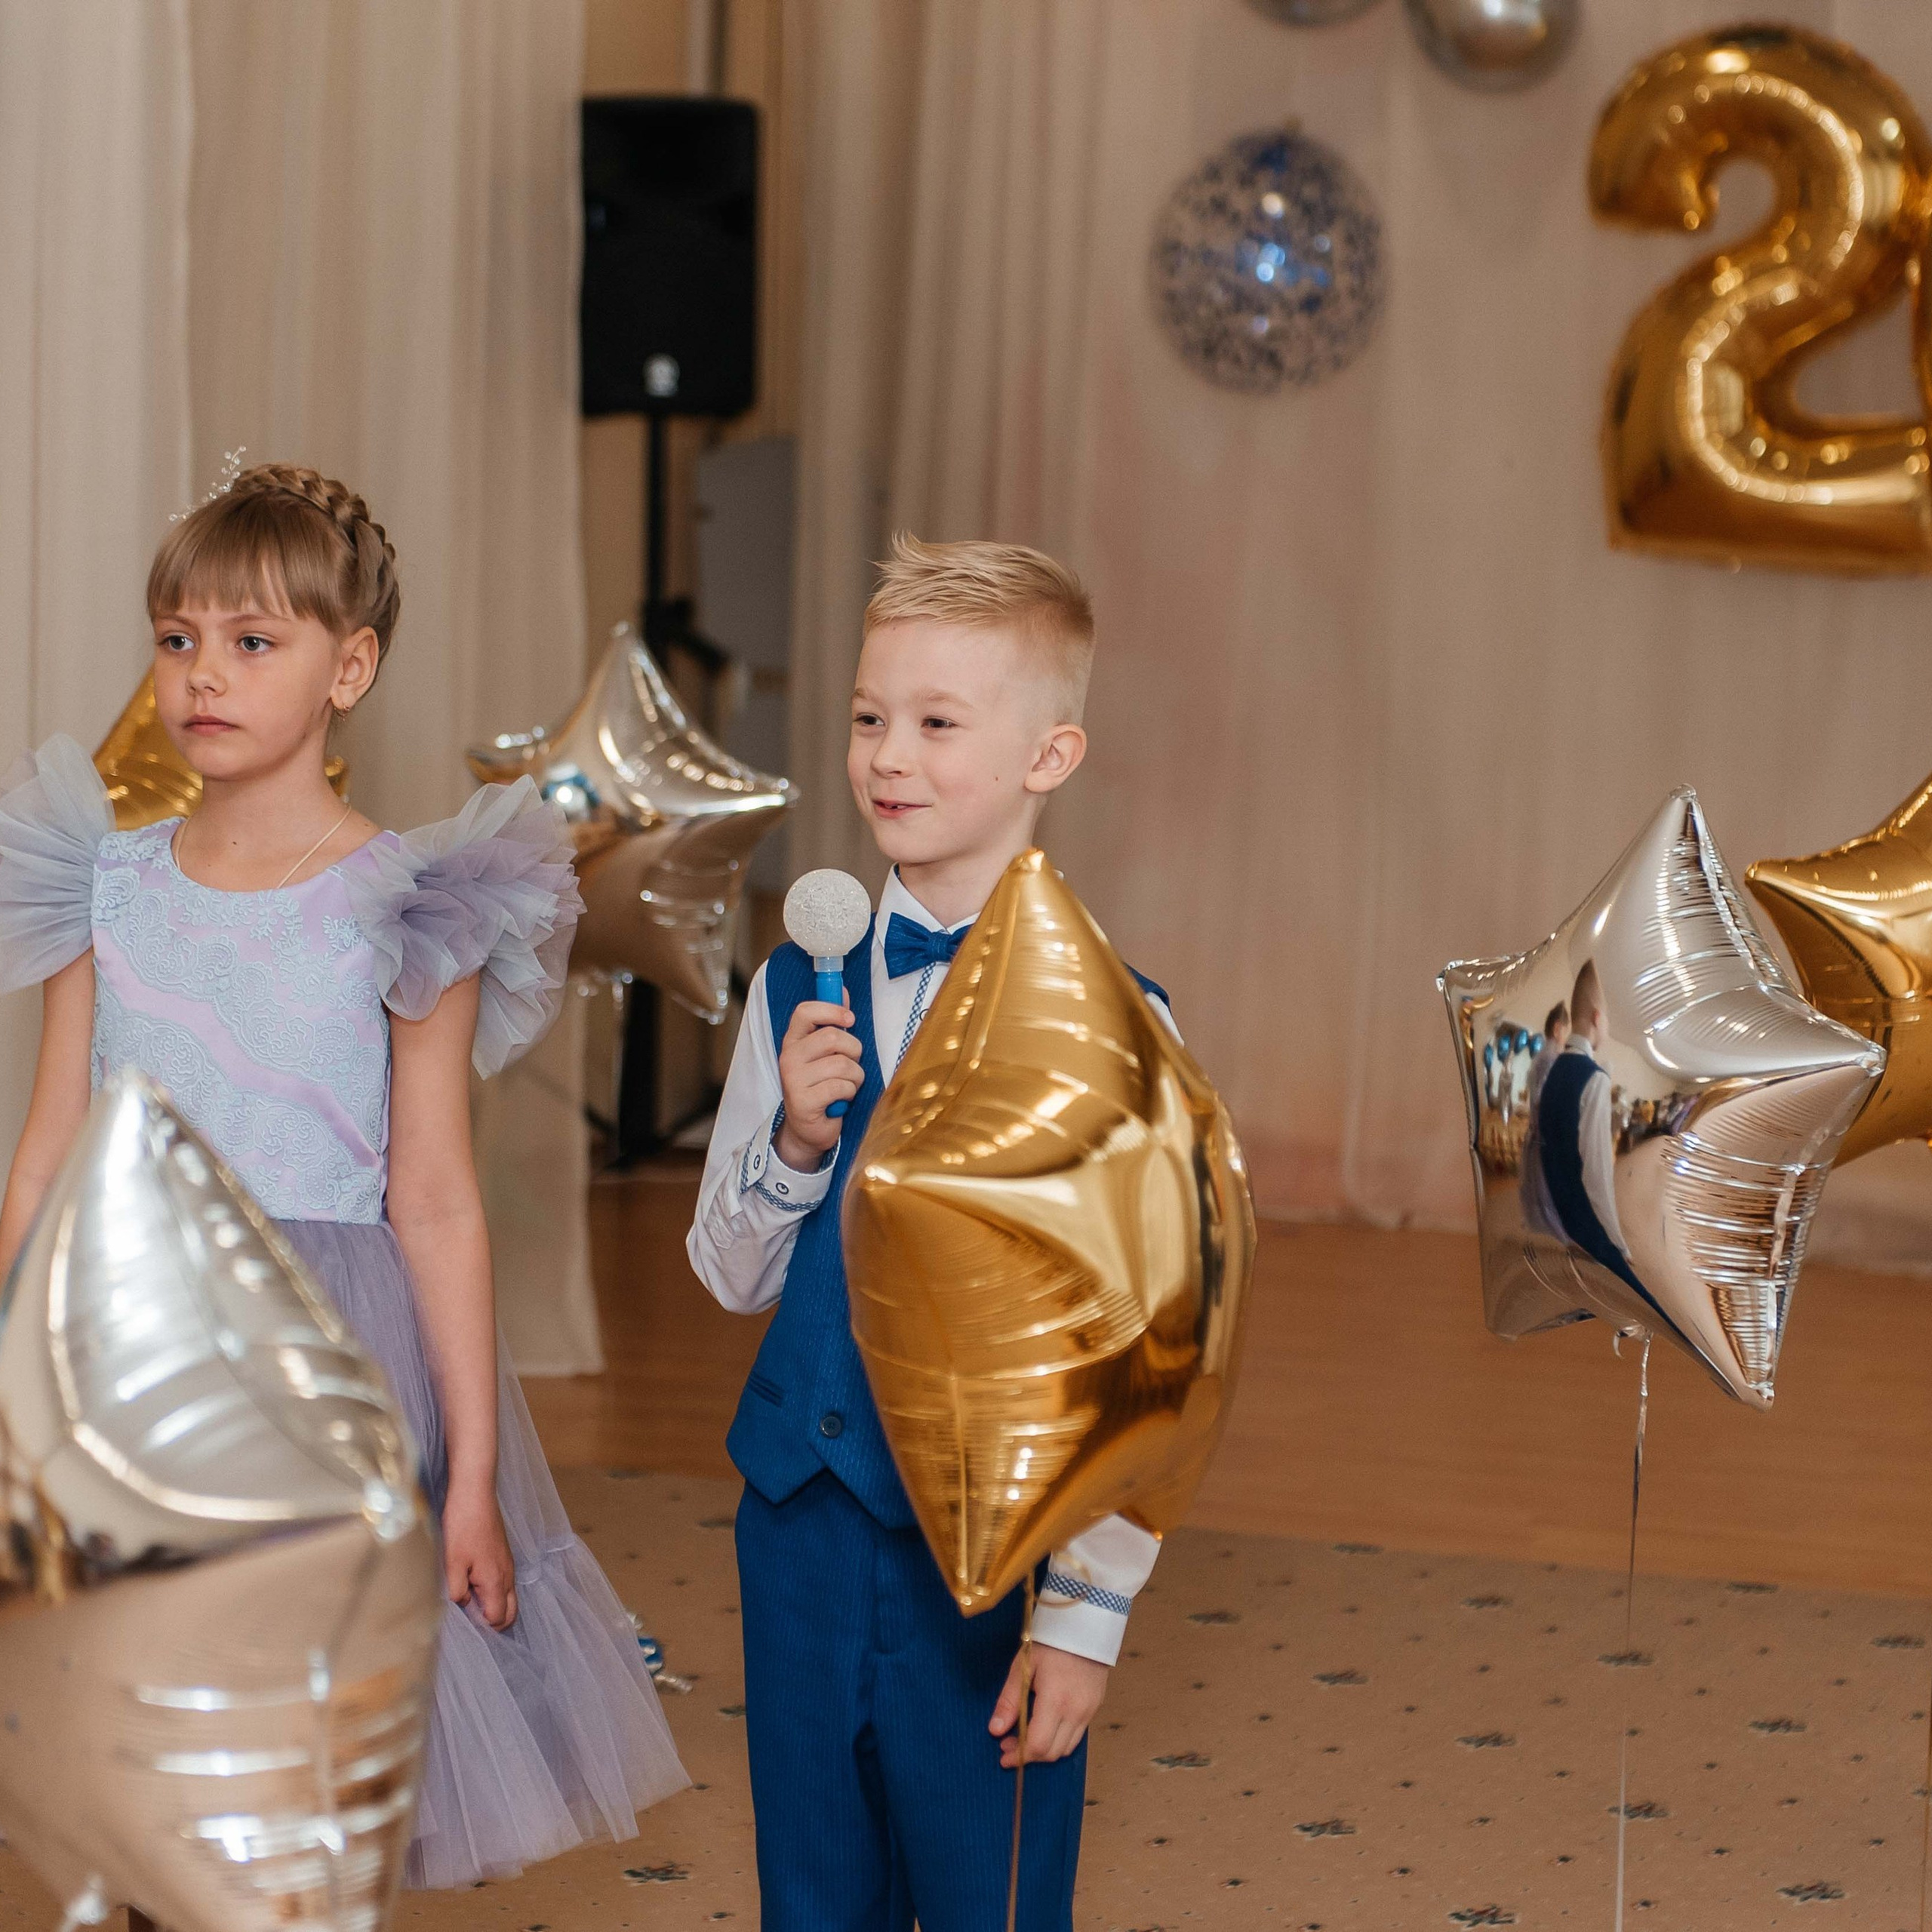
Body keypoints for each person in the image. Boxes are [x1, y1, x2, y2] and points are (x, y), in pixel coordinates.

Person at [0, 464, 687, 1906]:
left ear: (349, 669)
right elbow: (50, 1144)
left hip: (327, 1376)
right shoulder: (101, 887)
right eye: (179, 639)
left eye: (255, 643)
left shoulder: (405, 900)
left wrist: (475, 1487)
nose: (205, 676)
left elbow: (432, 1197)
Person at [688, 534, 1174, 1932]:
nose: (888, 756)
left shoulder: (1111, 1025)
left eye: (938, 723)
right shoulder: (798, 986)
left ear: (1050, 755)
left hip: (991, 1566)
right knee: (813, 1898)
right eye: (867, 716)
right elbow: (725, 1276)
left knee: (990, 1899)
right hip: (797, 1531)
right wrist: (791, 1146)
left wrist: (1083, 1621)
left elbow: (1142, 1363)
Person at [1535, 961, 1644, 1295]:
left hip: (1557, 1219)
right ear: (1598, 1018)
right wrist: (1618, 1246)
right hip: (1584, 1227)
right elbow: (1596, 1175)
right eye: (1608, 1018)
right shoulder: (1593, 1079)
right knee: (1642, 1296)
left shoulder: (1552, 1073)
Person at [1518, 1001, 1568, 1235]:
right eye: (1567, 1030)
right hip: (1546, 1132)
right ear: (1558, 1028)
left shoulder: (1541, 1057)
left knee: (1538, 1185)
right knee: (1548, 1185)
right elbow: (1542, 1098)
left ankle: (1541, 1227)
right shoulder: (1550, 1058)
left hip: (1539, 1130)